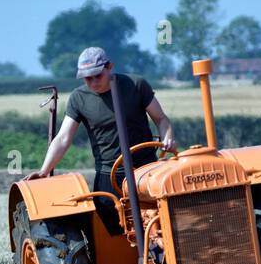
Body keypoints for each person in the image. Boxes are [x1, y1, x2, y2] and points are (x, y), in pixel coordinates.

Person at [26, 47, 176, 230]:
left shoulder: (135, 85)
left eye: (98, 75)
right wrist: (44, 170)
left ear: (109, 67)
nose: (94, 82)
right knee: (111, 231)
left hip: (146, 171)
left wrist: (167, 137)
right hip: (109, 176)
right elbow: (63, 138)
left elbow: (161, 119)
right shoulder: (79, 98)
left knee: (159, 225)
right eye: (88, 78)